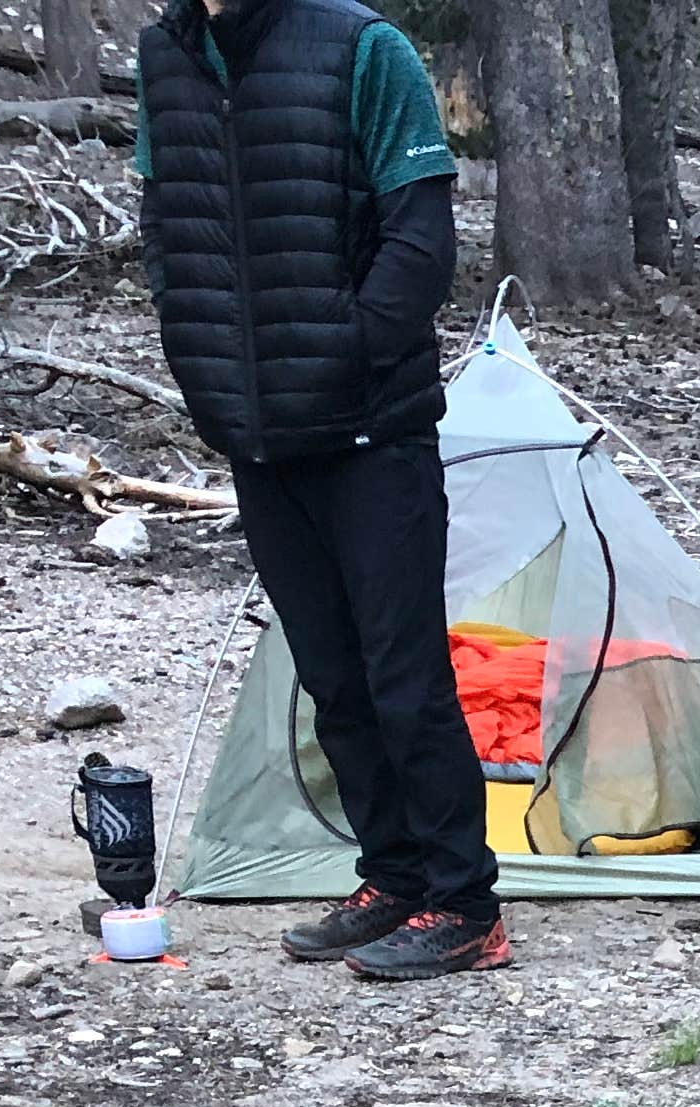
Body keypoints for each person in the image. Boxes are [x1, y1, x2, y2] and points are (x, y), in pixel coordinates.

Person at [134, 0, 509, 981]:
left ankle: (466, 906)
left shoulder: (363, 47)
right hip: (258, 436)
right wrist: (202, 363)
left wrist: (343, 357)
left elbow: (420, 242)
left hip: (371, 428)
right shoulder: (166, 56)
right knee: (332, 677)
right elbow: (166, 227)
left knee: (404, 675)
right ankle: (394, 876)